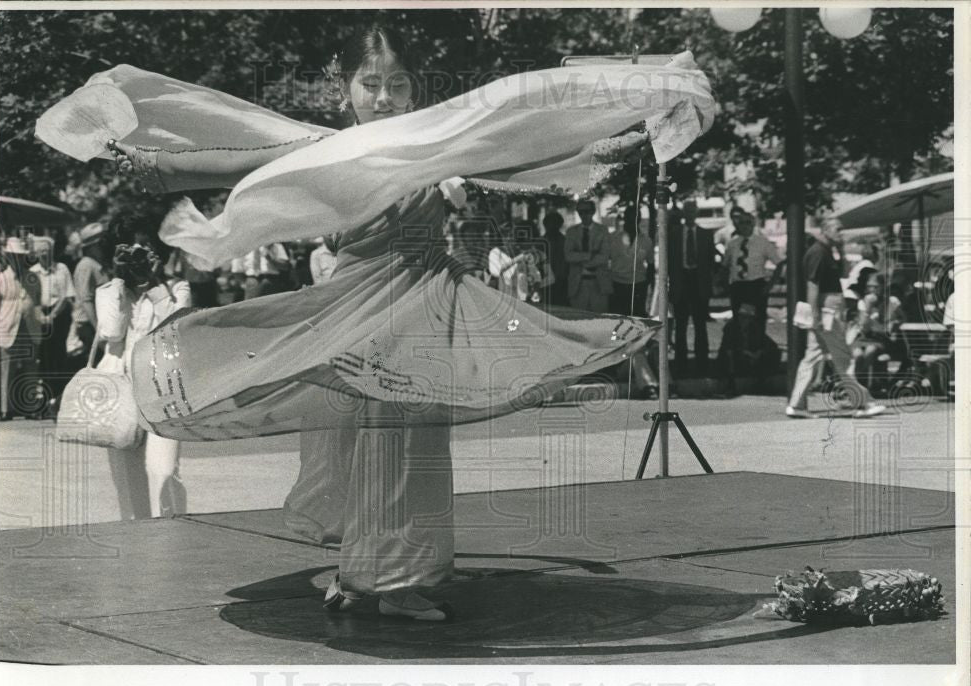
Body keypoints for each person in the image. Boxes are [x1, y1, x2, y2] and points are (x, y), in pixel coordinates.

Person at [79, 30, 708, 622]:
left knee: (410, 446)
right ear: (344, 88)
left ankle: (377, 576)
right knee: (378, 444)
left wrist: (608, 144)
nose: (385, 97)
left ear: (415, 88)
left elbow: (522, 158)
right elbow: (235, 163)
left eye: (399, 84)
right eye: (371, 84)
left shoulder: (434, 146)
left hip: (425, 306)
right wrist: (147, 162)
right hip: (356, 312)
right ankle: (386, 579)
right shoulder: (325, 147)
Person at [95, 244, 191, 519]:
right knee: (126, 477)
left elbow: (176, 329)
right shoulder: (108, 291)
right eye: (129, 252)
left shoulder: (177, 288)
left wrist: (156, 284)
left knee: (163, 470)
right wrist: (118, 281)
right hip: (122, 390)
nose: (137, 260)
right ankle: (135, 536)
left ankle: (168, 536)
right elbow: (112, 332)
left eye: (143, 251)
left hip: (164, 391)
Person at [786, 214, 886, 418]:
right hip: (827, 310)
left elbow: (840, 275)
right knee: (844, 357)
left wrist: (839, 250)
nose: (841, 233)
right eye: (837, 229)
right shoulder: (818, 253)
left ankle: (797, 404)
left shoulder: (826, 251)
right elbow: (812, 284)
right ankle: (862, 402)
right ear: (825, 230)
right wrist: (815, 314)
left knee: (812, 357)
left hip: (827, 309)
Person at [667, 199, 716, 377]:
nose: (689, 215)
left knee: (700, 324)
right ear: (683, 214)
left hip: (698, 282)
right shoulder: (673, 234)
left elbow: (710, 263)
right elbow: (669, 261)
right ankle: (681, 364)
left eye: (692, 211)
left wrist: (709, 285)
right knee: (680, 325)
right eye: (687, 211)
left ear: (696, 213)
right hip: (681, 282)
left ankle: (702, 364)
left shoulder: (706, 234)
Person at [28, 234, 75, 417]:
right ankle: (44, 403)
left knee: (59, 358)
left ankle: (59, 401)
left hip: (59, 315)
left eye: (47, 251)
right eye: (40, 252)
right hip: (40, 316)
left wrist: (53, 315)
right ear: (36, 254)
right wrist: (42, 317)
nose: (44, 255)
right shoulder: (33, 272)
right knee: (43, 360)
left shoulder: (61, 269)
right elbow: (32, 299)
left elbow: (66, 295)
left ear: (52, 252)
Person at [0, 237, 42, 420]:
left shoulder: (33, 277)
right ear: (8, 257)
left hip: (29, 327)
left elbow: (38, 301)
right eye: (13, 256)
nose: (17, 259)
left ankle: (30, 407)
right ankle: (5, 409)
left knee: (31, 367)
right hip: (8, 328)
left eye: (20, 256)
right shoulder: (0, 278)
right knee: (8, 369)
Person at [721, 210, 782, 321]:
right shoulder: (732, 244)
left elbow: (779, 263)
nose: (745, 226)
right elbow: (725, 266)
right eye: (742, 223)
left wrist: (769, 285)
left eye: (748, 222)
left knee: (756, 323)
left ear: (753, 224)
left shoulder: (763, 243)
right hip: (738, 287)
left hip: (756, 286)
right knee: (739, 322)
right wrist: (726, 285)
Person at [851, 272, 905, 393]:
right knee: (858, 355)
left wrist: (895, 323)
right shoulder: (863, 302)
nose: (872, 290)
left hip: (880, 339)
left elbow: (902, 318)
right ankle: (857, 385)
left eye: (876, 287)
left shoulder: (891, 302)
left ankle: (857, 385)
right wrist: (868, 308)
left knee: (870, 351)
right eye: (870, 286)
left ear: (883, 287)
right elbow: (863, 328)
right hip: (863, 337)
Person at [715, 302, 780, 397]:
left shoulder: (755, 328)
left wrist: (759, 352)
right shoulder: (731, 328)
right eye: (742, 317)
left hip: (750, 358)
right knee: (730, 355)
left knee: (774, 353)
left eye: (747, 318)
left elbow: (769, 344)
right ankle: (730, 384)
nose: (744, 320)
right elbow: (728, 348)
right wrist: (746, 353)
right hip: (736, 358)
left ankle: (762, 382)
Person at [69, 222, 109, 372]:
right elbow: (86, 301)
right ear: (92, 246)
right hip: (89, 325)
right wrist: (98, 331)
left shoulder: (97, 264)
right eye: (100, 243)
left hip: (96, 324)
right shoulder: (86, 265)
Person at [565, 198, 612, 312]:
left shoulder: (603, 230)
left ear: (593, 211)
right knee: (579, 321)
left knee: (599, 321)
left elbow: (604, 257)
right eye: (581, 212)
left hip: (599, 283)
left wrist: (579, 258)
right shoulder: (571, 232)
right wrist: (590, 255)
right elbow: (568, 256)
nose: (584, 215)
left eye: (587, 211)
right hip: (578, 284)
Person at [608, 208, 654, 317]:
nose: (631, 220)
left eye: (635, 218)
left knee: (638, 320)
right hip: (617, 285)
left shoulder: (646, 240)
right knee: (619, 321)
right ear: (625, 219)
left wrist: (647, 285)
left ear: (639, 220)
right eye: (628, 218)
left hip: (638, 285)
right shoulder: (613, 237)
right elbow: (605, 261)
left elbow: (651, 264)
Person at [542, 211, 569, 306]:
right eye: (550, 224)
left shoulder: (565, 241)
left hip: (561, 283)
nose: (552, 226)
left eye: (555, 223)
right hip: (545, 283)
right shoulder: (540, 242)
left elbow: (566, 262)